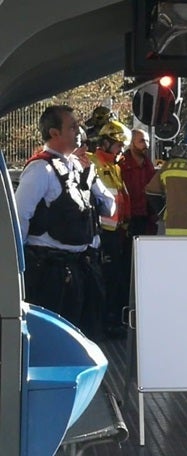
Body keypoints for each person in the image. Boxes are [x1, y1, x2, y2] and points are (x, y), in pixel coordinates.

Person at [14, 105, 116, 339]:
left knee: (86, 336)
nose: (78, 131)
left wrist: (90, 180)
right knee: (52, 340)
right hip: (52, 274)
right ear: (54, 133)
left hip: (83, 269)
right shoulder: (41, 169)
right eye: (72, 126)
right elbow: (20, 217)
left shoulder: (79, 167)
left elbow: (110, 207)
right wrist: (18, 269)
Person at [90, 120, 133, 339]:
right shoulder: (94, 163)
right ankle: (103, 323)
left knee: (115, 279)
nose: (121, 151)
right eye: (118, 146)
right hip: (102, 233)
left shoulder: (113, 166)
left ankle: (112, 320)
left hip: (116, 233)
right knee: (105, 280)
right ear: (106, 143)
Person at [120, 128, 157, 237]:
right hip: (129, 218)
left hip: (147, 218)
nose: (146, 145)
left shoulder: (148, 164)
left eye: (147, 141)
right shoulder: (122, 163)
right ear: (131, 143)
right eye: (142, 141)